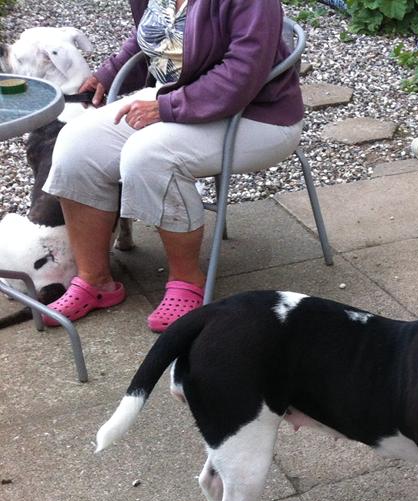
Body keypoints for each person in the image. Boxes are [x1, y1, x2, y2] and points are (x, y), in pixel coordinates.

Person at [42, 0, 303, 332]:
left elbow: (242, 73)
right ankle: (95, 280)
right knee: (76, 143)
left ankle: (187, 280)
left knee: (149, 154)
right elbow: (152, 33)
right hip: (177, 96)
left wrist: (166, 107)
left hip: (256, 114)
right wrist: (109, 73)